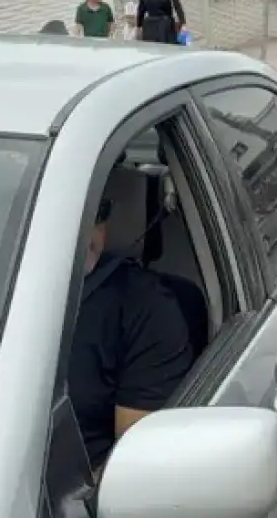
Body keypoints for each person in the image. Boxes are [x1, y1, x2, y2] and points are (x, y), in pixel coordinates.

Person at [68, 196, 194, 472]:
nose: (88, 232)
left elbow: (133, 469)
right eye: (66, 216)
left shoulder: (143, 306)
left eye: (99, 213)